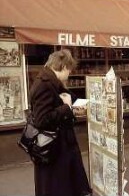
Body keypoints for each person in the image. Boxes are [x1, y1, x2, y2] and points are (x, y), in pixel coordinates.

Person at [29, 49, 92, 196]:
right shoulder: (44, 85)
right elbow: (41, 120)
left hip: (60, 148)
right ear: (63, 67)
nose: (69, 74)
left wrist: (73, 108)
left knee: (66, 185)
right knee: (58, 187)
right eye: (69, 70)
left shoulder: (52, 82)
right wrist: (67, 107)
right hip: (53, 150)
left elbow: (67, 100)